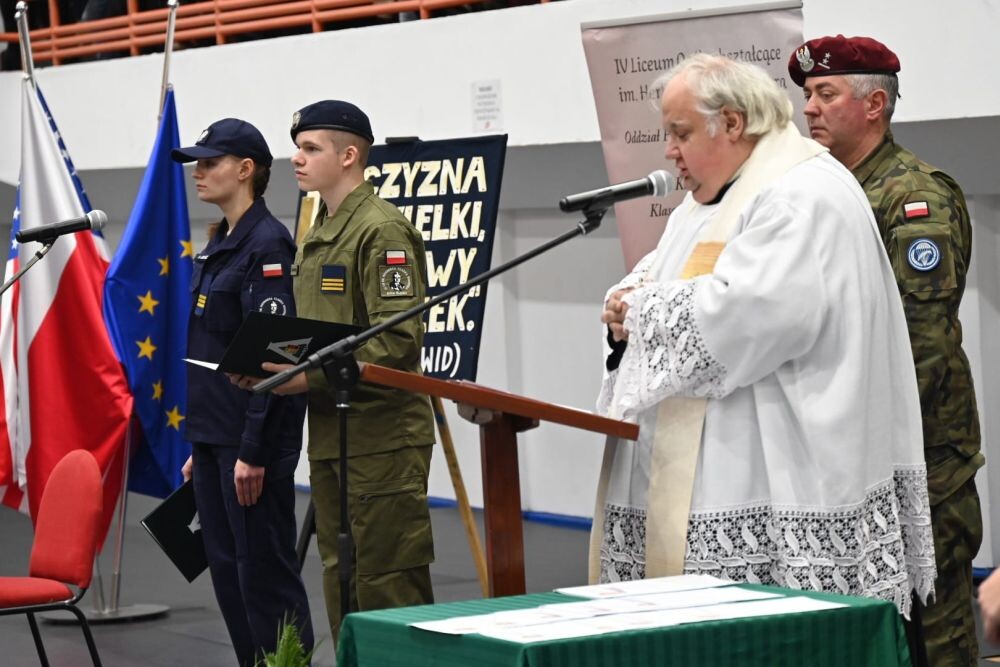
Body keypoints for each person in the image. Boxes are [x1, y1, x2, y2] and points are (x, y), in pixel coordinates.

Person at [592, 53, 936, 619]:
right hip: (724, 463)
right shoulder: (720, 192)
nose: (668, 151)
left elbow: (756, 313)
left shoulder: (799, 193)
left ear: (731, 123)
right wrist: (626, 300)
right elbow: (668, 269)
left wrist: (642, 310)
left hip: (781, 468)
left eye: (680, 133)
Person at [789, 36, 983, 667]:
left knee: (935, 623)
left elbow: (922, 342)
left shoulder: (911, 198)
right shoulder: (821, 193)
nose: (809, 109)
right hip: (855, 447)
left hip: (922, 450)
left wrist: (864, 426)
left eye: (826, 94)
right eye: (808, 96)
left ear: (874, 105)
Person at [238, 100, 435, 641]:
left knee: (386, 583)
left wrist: (309, 377)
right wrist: (269, 366)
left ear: (349, 156)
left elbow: (397, 338)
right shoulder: (319, 228)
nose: (296, 159)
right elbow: (316, 329)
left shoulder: (381, 231)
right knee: (342, 581)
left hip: (381, 437)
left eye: (310, 148)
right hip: (332, 432)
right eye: (297, 147)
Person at [173, 118, 313, 666]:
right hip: (215, 436)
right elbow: (211, 350)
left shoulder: (267, 244)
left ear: (246, 169)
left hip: (248, 443)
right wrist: (200, 443)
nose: (199, 172)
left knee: (265, 575)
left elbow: (277, 357)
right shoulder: (221, 244)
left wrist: (253, 450)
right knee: (229, 573)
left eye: (211, 162)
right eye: (197, 163)